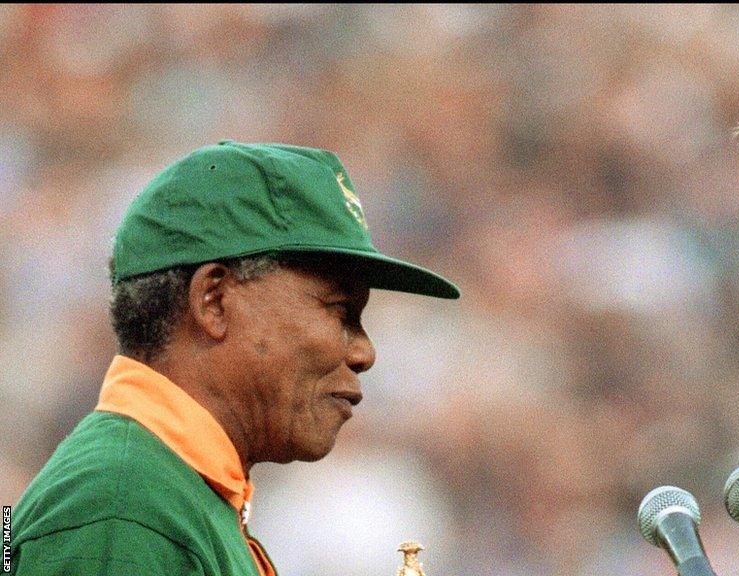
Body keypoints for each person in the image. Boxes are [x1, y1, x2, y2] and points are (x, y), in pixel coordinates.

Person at [10, 141, 460, 575]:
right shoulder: (123, 509)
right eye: (341, 310)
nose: (364, 352)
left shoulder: (170, 491)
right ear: (214, 301)